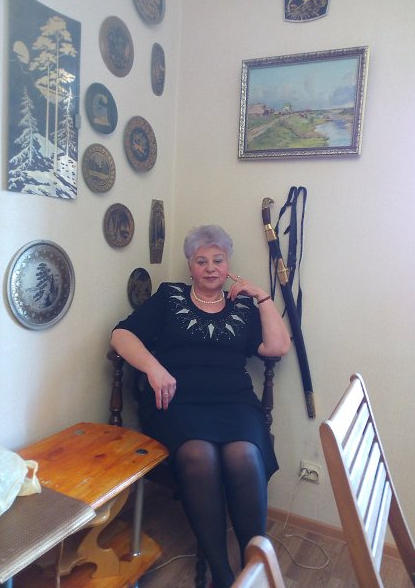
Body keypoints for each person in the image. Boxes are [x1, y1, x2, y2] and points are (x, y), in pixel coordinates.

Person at [111, 225, 291, 588]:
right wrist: (154, 368)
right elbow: (121, 334)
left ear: (228, 266)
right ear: (190, 266)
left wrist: (261, 296)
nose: (210, 268)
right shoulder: (170, 296)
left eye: (218, 260)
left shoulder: (243, 307)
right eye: (201, 261)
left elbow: (277, 347)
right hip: (178, 402)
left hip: (235, 403)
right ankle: (221, 575)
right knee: (198, 454)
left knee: (244, 454)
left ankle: (253, 566)